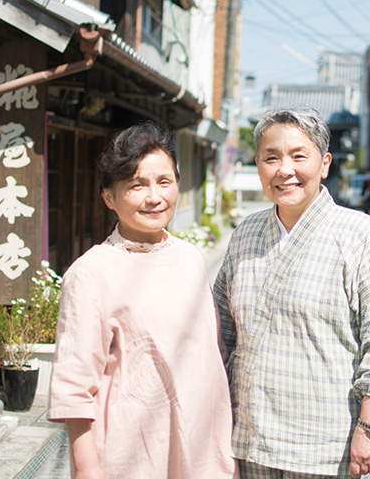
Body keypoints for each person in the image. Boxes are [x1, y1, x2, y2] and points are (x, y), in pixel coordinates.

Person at [214, 106, 370, 479]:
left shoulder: (361, 236)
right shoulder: (246, 234)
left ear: (324, 164)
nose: (284, 170)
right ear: (257, 165)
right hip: (250, 442)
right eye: (271, 158)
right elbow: (221, 333)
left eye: (299, 156)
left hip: (327, 448)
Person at [47, 122, 238, 479]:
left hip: (205, 453)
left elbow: (214, 353)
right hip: (132, 457)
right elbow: (74, 388)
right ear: (108, 197)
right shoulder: (90, 273)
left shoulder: (190, 258)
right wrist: (87, 469)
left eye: (164, 182)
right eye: (137, 185)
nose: (154, 197)